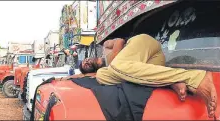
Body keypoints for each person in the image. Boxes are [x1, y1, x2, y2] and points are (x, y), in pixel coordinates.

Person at [79, 34, 217, 118]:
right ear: (89, 71)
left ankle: (195, 77)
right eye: (84, 66)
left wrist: (113, 59)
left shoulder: (105, 48)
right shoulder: (102, 72)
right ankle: (171, 81)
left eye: (85, 60)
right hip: (148, 65)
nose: (86, 61)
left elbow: (119, 41)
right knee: (103, 76)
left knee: (114, 68)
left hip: (143, 46)